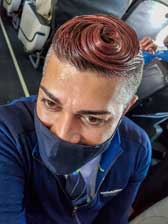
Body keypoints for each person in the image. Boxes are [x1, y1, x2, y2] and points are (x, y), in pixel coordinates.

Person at [0, 14, 151, 224]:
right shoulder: (6, 133)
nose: (62, 135)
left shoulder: (137, 150)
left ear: (125, 109)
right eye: (50, 104)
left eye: (92, 119)